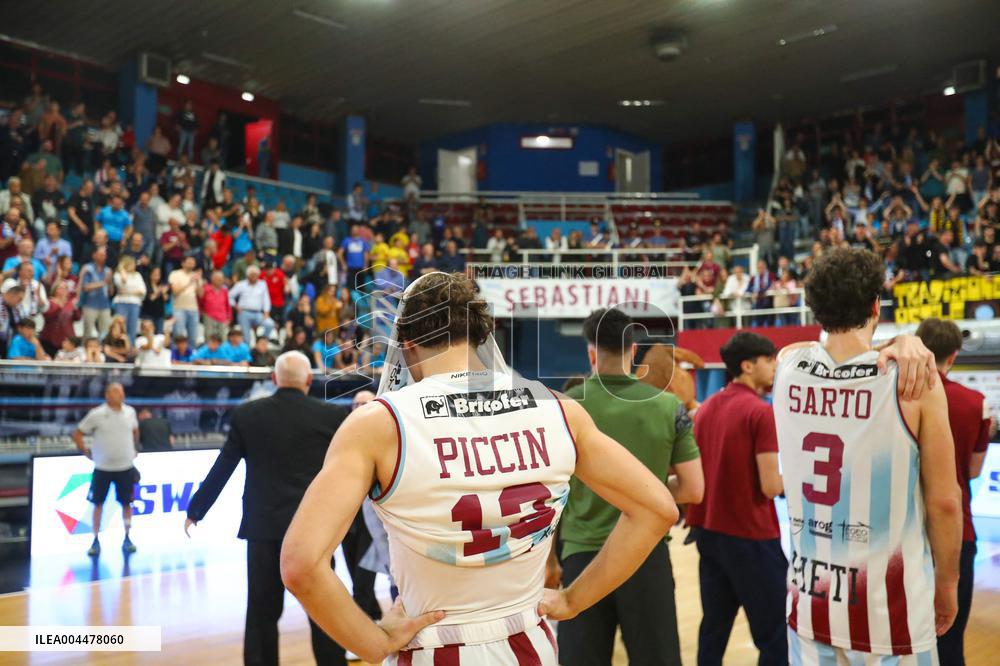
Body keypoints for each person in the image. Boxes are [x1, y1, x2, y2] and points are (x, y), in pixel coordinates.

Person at [280, 272, 679, 664]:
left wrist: (373, 643)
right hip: (530, 641)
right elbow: (657, 509)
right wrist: (574, 599)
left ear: (407, 344)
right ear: (480, 336)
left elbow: (301, 565)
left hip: (431, 645)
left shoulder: (378, 424)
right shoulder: (561, 411)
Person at [773, 248, 962, 665]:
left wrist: (900, 340)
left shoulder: (786, 366)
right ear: (877, 305)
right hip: (890, 615)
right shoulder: (915, 383)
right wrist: (948, 584)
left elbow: (817, 346)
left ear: (815, 309)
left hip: (808, 604)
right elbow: (945, 502)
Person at [555, 308, 703, 665]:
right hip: (645, 555)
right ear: (633, 351)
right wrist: (645, 488)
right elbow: (694, 489)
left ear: (591, 353)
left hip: (581, 558)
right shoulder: (669, 406)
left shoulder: (564, 408)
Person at [185, 351, 350, 666]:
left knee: (262, 611)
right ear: (309, 380)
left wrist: (197, 509)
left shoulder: (248, 415)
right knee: (326, 611)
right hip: (313, 532)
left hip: (264, 529)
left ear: (274, 379)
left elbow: (223, 467)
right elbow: (347, 473)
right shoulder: (331, 416)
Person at [688, 331, 786, 666]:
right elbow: (771, 486)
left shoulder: (707, 407)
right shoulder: (760, 413)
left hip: (709, 533)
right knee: (775, 636)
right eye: (769, 360)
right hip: (751, 537)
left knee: (713, 631)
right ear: (747, 366)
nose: (775, 367)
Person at [916, 318, 994, 665]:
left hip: (903, 529)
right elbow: (974, 471)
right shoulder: (974, 403)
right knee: (948, 640)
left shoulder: (896, 395)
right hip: (955, 531)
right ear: (954, 355)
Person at [72, 383, 140, 557]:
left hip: (125, 467)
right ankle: (95, 540)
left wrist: (134, 448)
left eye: (122, 392)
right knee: (98, 504)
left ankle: (127, 537)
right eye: (117, 392)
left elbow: (135, 431)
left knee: (127, 504)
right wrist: (85, 451)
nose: (121, 395)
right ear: (108, 394)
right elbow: (78, 433)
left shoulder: (130, 412)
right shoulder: (97, 414)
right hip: (103, 468)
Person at [230, 265, 275, 342]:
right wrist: (235, 306)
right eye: (252, 275)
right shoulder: (241, 284)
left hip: (258, 313)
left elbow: (266, 299)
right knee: (246, 338)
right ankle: (247, 350)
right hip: (244, 312)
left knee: (270, 324)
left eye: (256, 275)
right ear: (248, 275)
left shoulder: (262, 284)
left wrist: (266, 312)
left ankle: (261, 341)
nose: (254, 277)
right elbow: (229, 296)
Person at [169, 255, 203, 345]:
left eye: (193, 263)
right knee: (178, 335)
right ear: (183, 263)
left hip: (193, 309)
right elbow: (175, 291)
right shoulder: (175, 274)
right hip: (179, 308)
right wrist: (189, 282)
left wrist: (198, 281)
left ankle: (191, 357)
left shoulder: (196, 276)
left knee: (193, 336)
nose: (191, 265)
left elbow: (201, 294)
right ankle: (175, 357)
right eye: (189, 263)